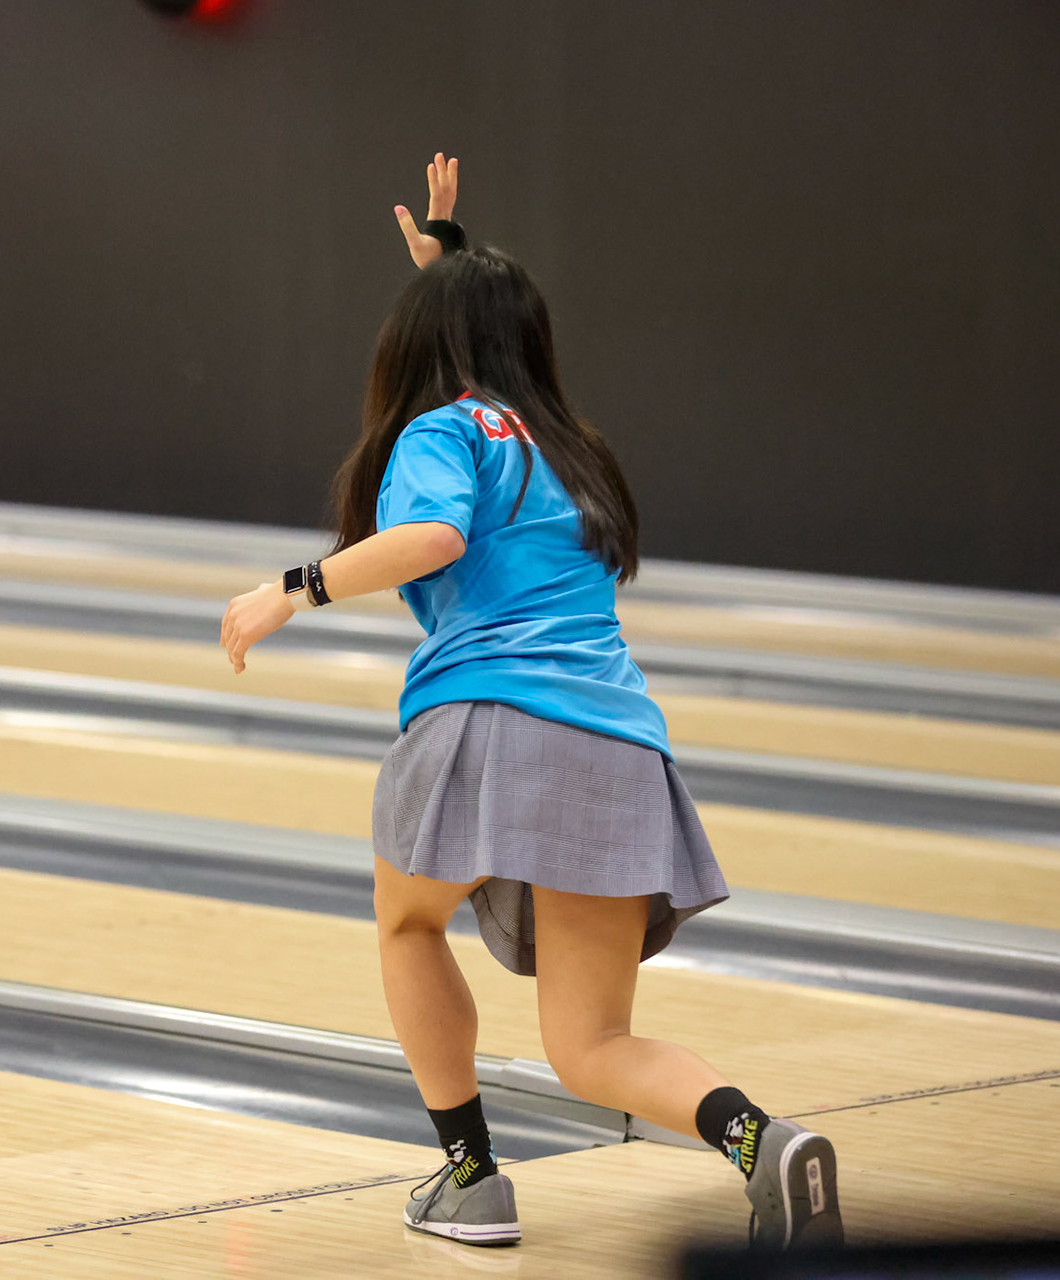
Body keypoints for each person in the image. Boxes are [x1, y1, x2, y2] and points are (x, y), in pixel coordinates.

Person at [219, 154, 842, 1251]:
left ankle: (469, 1174)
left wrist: (295, 585)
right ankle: (767, 1145)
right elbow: (485, 342)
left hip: (489, 720)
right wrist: (452, 269)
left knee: (410, 922)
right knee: (593, 1040)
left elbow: (437, 536)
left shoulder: (440, 433)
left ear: (415, 345)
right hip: (617, 739)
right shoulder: (572, 448)